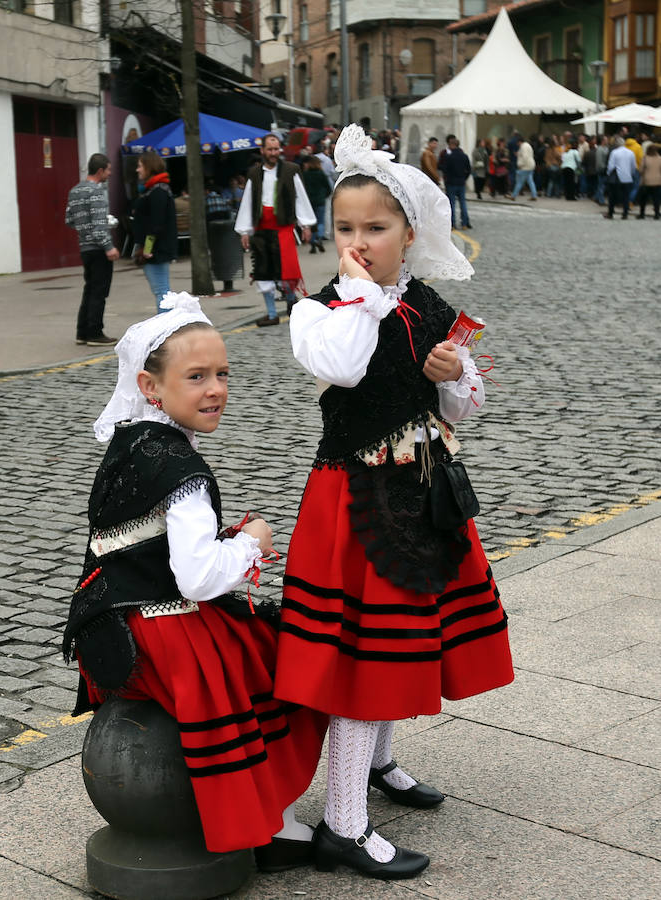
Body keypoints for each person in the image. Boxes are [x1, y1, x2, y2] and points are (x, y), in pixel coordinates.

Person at [273, 124, 514, 880]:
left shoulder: (432, 307)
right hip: (352, 506)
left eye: (376, 228)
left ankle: (376, 765)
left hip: (424, 495)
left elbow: (465, 405)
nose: (360, 241)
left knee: (401, 641)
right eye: (345, 228)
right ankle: (343, 823)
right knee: (360, 660)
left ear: (410, 232)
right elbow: (342, 369)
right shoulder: (321, 311)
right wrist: (360, 296)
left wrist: (449, 372)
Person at [62, 292, 328, 866]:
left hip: (110, 624)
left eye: (223, 374)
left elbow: (137, 544)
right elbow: (199, 576)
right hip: (161, 634)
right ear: (151, 386)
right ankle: (263, 820)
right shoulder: (183, 470)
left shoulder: (131, 440)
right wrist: (251, 544)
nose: (216, 389)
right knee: (285, 661)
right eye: (197, 376)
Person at [235, 134, 317, 326]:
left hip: (283, 227)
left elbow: (300, 198)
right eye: (270, 149)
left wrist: (306, 225)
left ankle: (291, 303)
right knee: (263, 271)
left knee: (287, 271)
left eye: (276, 149)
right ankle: (272, 314)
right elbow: (247, 201)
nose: (273, 153)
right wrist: (245, 230)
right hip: (262, 229)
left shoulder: (291, 170)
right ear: (262, 151)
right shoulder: (254, 173)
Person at [65, 153, 120, 346]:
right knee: (99, 291)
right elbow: (98, 224)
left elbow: (69, 220)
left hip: (84, 248)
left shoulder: (74, 191)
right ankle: (95, 332)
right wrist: (109, 247)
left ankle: (82, 332)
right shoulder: (96, 192)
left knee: (89, 289)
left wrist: (83, 230)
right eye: (109, 170)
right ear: (100, 170)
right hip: (98, 249)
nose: (110, 174)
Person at [133, 151, 178, 311]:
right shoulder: (156, 189)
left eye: (140, 166)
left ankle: (166, 331)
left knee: (162, 293)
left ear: (149, 167)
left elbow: (156, 223)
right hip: (157, 248)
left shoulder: (157, 190)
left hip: (156, 250)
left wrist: (147, 248)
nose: (137, 170)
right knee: (161, 291)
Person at [438, 134, 472, 229]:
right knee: (463, 203)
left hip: (451, 182)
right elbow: (469, 169)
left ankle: (452, 224)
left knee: (451, 204)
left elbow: (444, 168)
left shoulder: (449, 156)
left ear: (452, 145)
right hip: (461, 182)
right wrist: (464, 178)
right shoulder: (464, 156)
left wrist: (447, 178)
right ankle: (464, 223)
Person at [302, 155, 332, 253]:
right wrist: (324, 195)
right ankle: (319, 237)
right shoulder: (321, 173)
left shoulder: (305, 174)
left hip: (309, 201)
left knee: (311, 223)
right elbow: (327, 187)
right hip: (320, 200)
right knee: (320, 221)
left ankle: (313, 241)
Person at [605, 136, 637, 220]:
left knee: (612, 196)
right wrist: (631, 173)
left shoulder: (614, 152)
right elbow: (633, 166)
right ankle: (625, 213)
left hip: (616, 178)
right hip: (627, 177)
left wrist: (608, 173)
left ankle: (610, 212)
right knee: (626, 196)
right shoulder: (631, 152)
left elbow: (611, 165)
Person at [636, 144, 661, 219]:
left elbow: (641, 170)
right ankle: (656, 214)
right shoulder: (660, 158)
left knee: (643, 198)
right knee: (656, 199)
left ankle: (642, 214)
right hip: (658, 181)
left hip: (646, 181)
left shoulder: (645, 158)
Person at [510, 135, 537, 201]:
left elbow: (525, 157)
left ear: (519, 142)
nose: (517, 144)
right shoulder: (527, 145)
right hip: (531, 165)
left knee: (519, 182)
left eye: (517, 143)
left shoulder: (523, 147)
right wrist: (518, 154)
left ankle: (513, 196)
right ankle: (534, 195)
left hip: (525, 167)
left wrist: (520, 164)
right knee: (530, 182)